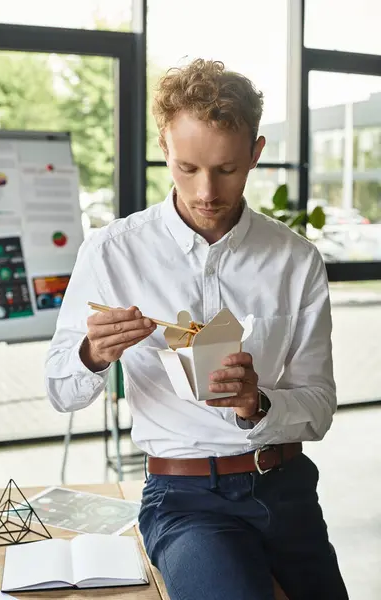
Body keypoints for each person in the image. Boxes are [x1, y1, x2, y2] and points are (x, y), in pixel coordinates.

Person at [46, 58, 348, 600]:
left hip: (288, 490)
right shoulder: (112, 253)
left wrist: (258, 404)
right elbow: (60, 392)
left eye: (227, 169)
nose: (206, 190)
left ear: (256, 153)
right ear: (164, 146)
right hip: (184, 498)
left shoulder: (296, 260)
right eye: (187, 167)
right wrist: (92, 354)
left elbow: (320, 406)